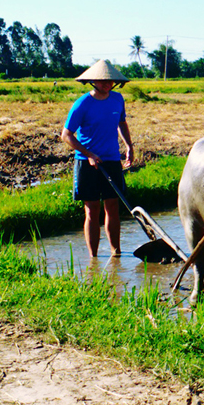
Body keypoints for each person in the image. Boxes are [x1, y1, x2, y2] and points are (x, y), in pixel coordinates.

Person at [60, 60, 135, 258]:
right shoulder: (82, 104)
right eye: (102, 81)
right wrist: (89, 154)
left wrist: (129, 145)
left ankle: (116, 252)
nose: (106, 84)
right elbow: (66, 135)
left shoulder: (118, 99)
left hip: (110, 160)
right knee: (92, 210)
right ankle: (93, 257)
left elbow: (121, 122)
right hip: (87, 163)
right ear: (93, 81)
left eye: (109, 81)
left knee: (113, 206)